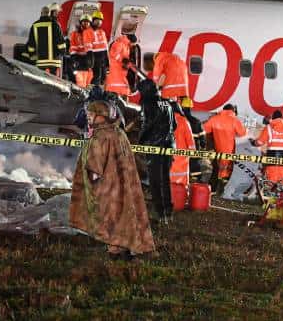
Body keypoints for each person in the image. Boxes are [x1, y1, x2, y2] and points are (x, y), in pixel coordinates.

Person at [70, 100, 156, 260]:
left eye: (91, 114)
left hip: (108, 187)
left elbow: (94, 169)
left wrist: (91, 185)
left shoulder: (100, 137)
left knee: (111, 218)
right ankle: (128, 247)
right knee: (127, 216)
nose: (88, 117)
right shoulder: (119, 133)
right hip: (124, 185)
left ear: (101, 116)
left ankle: (117, 250)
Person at [137, 79, 178, 224]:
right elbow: (175, 125)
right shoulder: (168, 103)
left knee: (155, 181)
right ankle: (168, 211)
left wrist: (139, 142)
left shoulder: (148, 104)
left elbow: (146, 125)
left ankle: (159, 213)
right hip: (169, 145)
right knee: (165, 178)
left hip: (155, 146)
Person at [202, 104, 247, 192]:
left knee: (216, 170)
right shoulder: (234, 120)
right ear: (233, 111)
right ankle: (225, 191)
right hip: (230, 152)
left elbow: (205, 129)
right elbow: (242, 133)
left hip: (217, 150)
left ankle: (212, 190)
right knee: (229, 172)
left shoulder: (215, 119)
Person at [253, 110, 283, 188]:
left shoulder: (269, 127)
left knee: (271, 179)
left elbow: (259, 142)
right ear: (282, 118)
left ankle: (269, 197)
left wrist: (253, 142)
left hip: (272, 157)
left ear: (273, 118)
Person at [24, 5, 66, 75]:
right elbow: (61, 43)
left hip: (41, 62)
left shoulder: (35, 25)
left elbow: (31, 44)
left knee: (41, 82)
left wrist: (32, 55)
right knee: (55, 83)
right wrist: (62, 53)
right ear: (49, 13)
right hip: (54, 62)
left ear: (41, 13)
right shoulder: (55, 24)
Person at [170, 96, 197, 187]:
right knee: (181, 182)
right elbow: (190, 140)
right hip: (181, 157)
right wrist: (192, 152)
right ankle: (181, 197)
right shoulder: (183, 121)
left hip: (166, 155)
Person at [68, 15, 95, 87]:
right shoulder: (75, 33)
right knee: (79, 81)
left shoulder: (92, 33)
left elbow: (93, 47)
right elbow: (73, 47)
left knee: (88, 81)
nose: (86, 24)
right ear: (81, 23)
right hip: (78, 59)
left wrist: (92, 59)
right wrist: (74, 59)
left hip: (88, 58)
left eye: (88, 22)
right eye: (84, 22)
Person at [105, 30, 133, 96]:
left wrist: (126, 62)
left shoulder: (126, 46)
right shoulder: (120, 43)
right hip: (115, 67)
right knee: (116, 83)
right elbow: (113, 55)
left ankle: (124, 94)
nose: (132, 45)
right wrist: (122, 60)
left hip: (120, 69)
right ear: (130, 41)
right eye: (133, 43)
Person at [90, 11, 110, 86]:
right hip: (94, 60)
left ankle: (100, 94)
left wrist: (107, 61)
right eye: (97, 20)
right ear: (93, 20)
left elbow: (105, 47)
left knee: (103, 78)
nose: (99, 22)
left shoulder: (102, 32)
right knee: (95, 79)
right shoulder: (88, 31)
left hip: (102, 60)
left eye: (100, 21)